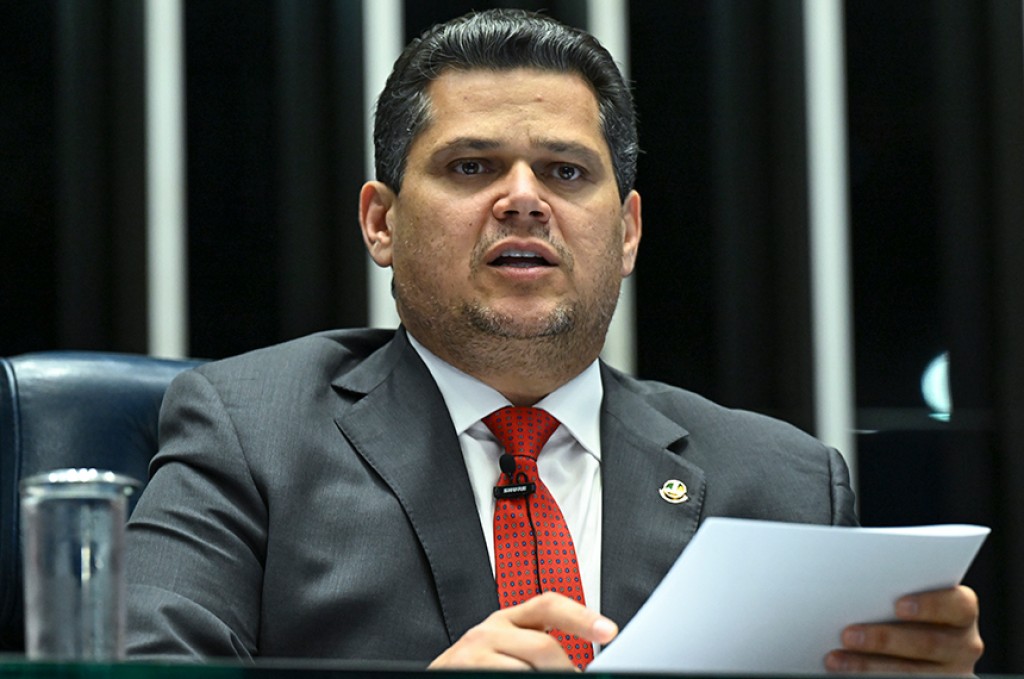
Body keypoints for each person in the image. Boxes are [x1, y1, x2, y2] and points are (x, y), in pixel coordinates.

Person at [125, 8, 983, 674]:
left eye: (566, 172)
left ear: (628, 231)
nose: (524, 199)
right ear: (381, 222)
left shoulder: (785, 484)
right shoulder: (252, 433)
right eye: (471, 167)